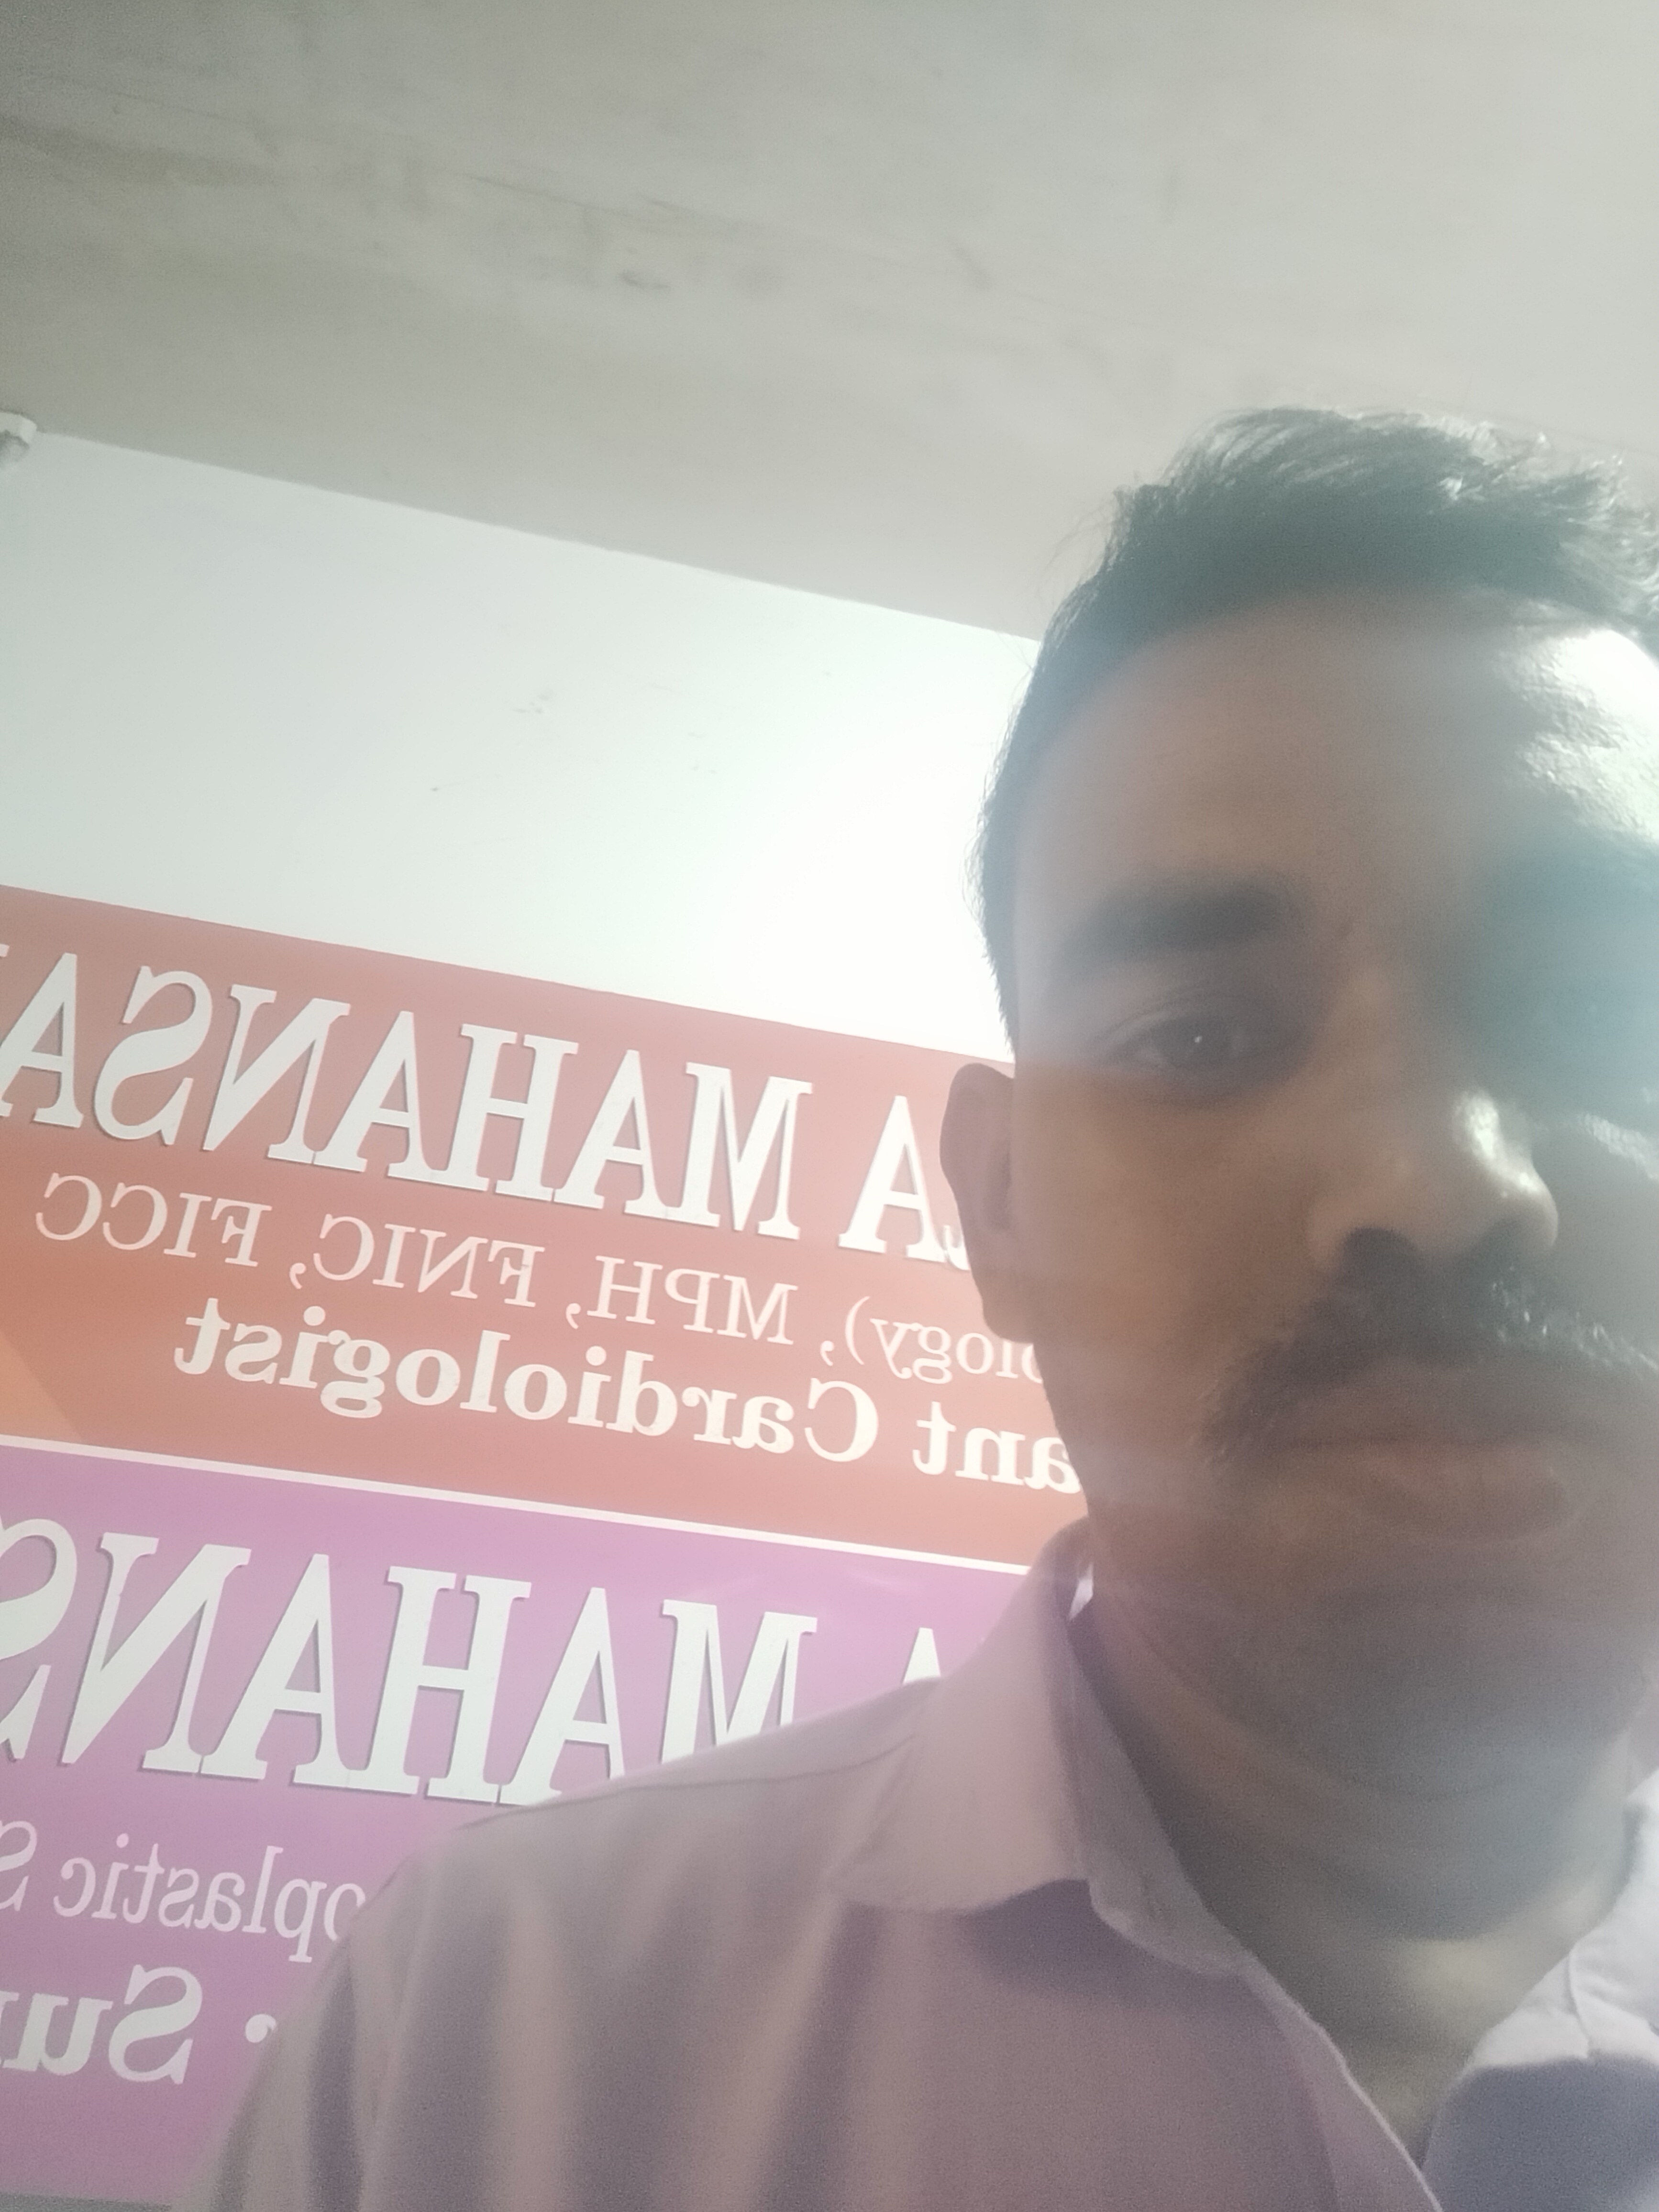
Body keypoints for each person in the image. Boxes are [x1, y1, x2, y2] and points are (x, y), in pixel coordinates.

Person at [183, 410, 1659, 2211]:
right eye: (1198, 1035)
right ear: (998, 1205)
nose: (1429, 1183)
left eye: (1607, 1013)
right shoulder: (497, 2019)